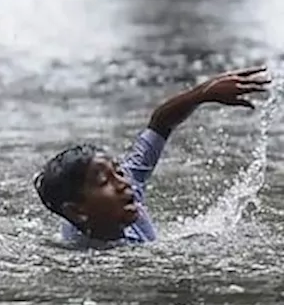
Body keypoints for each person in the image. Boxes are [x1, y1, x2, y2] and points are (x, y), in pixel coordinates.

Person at [35, 66, 271, 248]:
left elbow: (160, 123)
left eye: (118, 172)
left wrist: (202, 94)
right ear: (77, 212)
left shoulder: (129, 190)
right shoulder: (78, 258)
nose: (123, 182)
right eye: (104, 181)